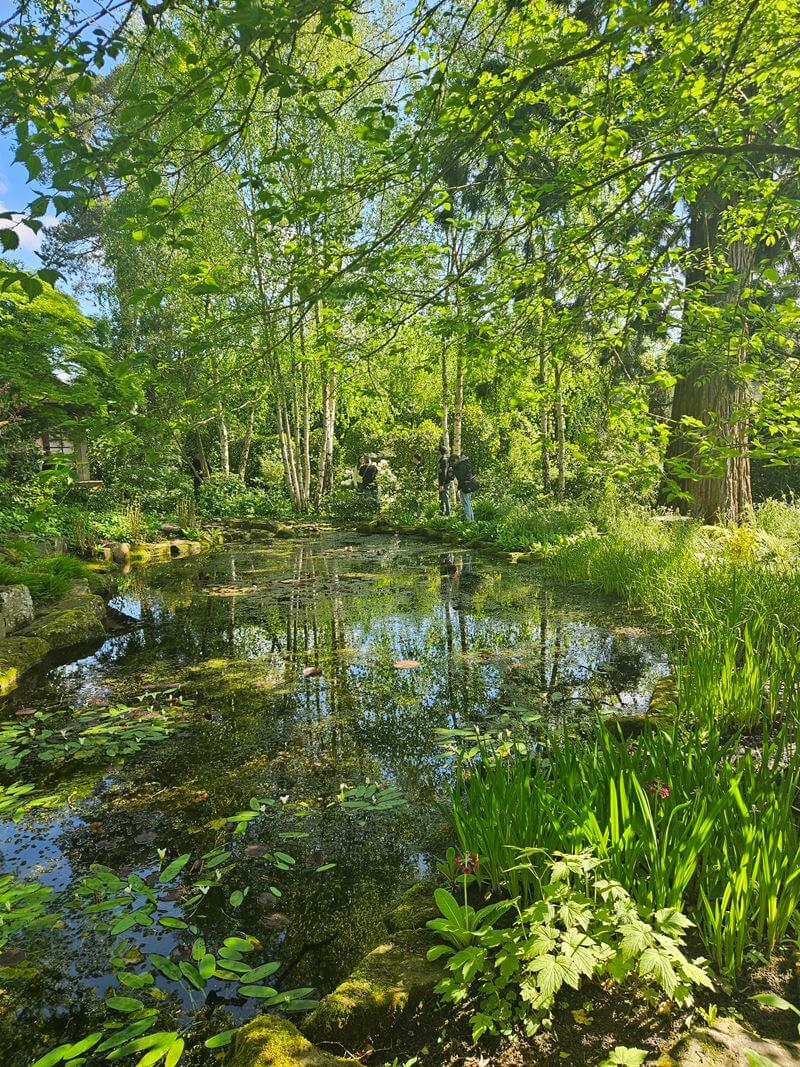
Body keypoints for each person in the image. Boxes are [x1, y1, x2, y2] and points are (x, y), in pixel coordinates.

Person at [452, 453, 477, 522]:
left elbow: (461, 479)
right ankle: (472, 520)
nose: (453, 464)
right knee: (468, 503)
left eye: (453, 462)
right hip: (470, 485)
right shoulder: (466, 462)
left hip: (465, 487)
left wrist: (458, 489)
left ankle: (469, 521)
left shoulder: (461, 465)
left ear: (456, 459)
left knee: (466, 504)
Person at [437, 443, 452, 516]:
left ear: (440, 452)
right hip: (442, 482)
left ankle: (448, 512)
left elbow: (443, 473)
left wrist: (441, 484)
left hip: (444, 482)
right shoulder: (442, 460)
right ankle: (442, 511)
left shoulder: (444, 460)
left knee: (445, 496)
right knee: (441, 496)